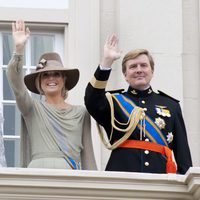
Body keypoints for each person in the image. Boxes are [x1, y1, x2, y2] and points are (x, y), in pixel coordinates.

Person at [84, 34, 192, 174]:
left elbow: (182, 153)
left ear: (152, 71)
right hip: (122, 180)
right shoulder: (114, 102)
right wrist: (106, 62)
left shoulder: (171, 106)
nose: (139, 69)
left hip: (160, 182)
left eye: (144, 65)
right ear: (125, 74)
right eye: (133, 67)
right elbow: (91, 100)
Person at [6, 20, 96, 170]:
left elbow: (88, 155)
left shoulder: (81, 112)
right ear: (39, 82)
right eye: (45, 75)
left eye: (56, 74)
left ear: (64, 79)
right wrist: (18, 50)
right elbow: (17, 86)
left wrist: (94, 187)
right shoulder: (32, 108)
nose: (51, 78)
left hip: (71, 176)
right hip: (38, 174)